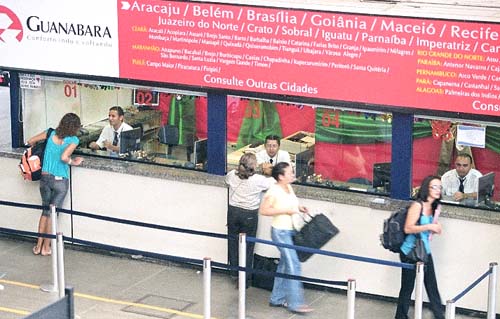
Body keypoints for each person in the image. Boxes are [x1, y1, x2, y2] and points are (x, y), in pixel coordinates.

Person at [259, 162, 313, 315]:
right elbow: (264, 210)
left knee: (284, 265)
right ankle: (296, 303)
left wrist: (298, 208)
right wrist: (286, 211)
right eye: (289, 172)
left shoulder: (288, 187)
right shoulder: (274, 191)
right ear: (281, 176)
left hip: (290, 231)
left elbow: (291, 204)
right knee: (293, 265)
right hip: (281, 233)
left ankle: (276, 298)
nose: (292, 174)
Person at [27, 113, 84, 256]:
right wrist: (74, 162)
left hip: (45, 178)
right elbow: (64, 157)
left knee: (45, 212)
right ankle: (47, 247)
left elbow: (30, 141)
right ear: (75, 127)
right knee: (53, 214)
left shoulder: (49, 133)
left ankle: (38, 246)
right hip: (60, 180)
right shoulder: (73, 139)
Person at [395, 175, 444, 319]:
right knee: (407, 287)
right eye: (434, 187)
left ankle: (439, 315)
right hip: (410, 251)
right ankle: (400, 316)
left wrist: (436, 227)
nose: (437, 190)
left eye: (439, 187)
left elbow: (429, 231)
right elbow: (408, 228)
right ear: (426, 188)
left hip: (424, 250)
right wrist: (429, 226)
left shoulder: (435, 207)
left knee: (431, 286)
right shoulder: (418, 205)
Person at [225, 153, 274, 284]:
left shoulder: (231, 175)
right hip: (249, 215)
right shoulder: (258, 180)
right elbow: (274, 182)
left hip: (233, 212)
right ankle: (245, 278)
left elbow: (227, 180)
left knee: (233, 243)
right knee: (247, 247)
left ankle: (234, 273)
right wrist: (267, 170)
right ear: (253, 166)